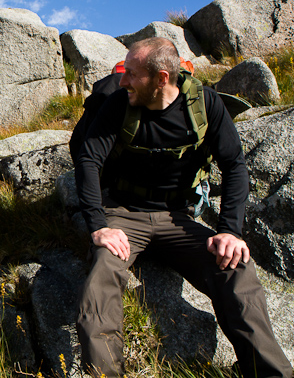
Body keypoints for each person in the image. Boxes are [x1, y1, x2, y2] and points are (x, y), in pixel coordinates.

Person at [74, 37, 292, 377]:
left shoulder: (205, 104)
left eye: (131, 74)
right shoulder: (119, 104)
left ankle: (270, 372)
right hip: (123, 214)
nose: (123, 80)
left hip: (178, 218)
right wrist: (99, 225)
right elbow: (88, 160)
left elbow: (234, 166)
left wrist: (230, 232)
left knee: (234, 269)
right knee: (103, 273)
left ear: (161, 78)